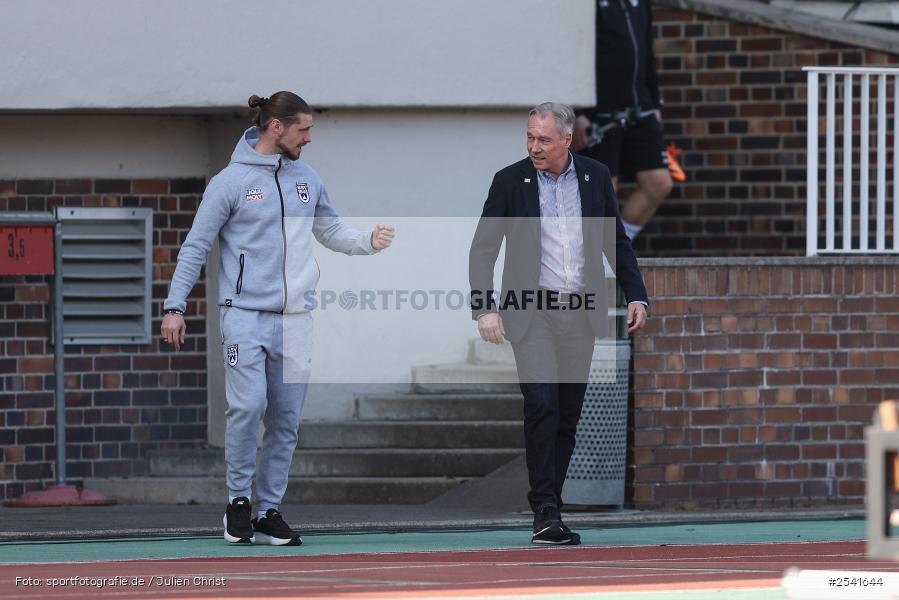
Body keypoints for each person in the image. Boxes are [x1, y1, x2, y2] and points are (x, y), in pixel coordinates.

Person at [161, 91, 395, 546]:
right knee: (248, 408)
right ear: (276, 127)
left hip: (295, 320)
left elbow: (331, 231)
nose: (308, 139)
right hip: (244, 317)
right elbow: (195, 246)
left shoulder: (306, 178)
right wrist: (175, 306)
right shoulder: (228, 183)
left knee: (286, 419)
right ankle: (238, 505)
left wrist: (368, 240)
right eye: (303, 130)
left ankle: (269, 510)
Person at [470, 102, 647, 545]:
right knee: (542, 404)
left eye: (544, 140)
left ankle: (553, 508)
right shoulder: (509, 181)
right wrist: (483, 308)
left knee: (567, 414)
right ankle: (544, 510)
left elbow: (615, 243)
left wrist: (637, 294)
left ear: (568, 139)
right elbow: (483, 248)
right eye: (529, 138)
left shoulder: (594, 177)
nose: (534, 147)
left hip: (580, 313)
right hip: (531, 313)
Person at [572, 0, 673, 240]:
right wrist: (577, 112)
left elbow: (646, 54)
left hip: (641, 110)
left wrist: (654, 104)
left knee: (659, 183)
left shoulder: (640, 4)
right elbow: (573, 52)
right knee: (605, 191)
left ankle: (619, 249)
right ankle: (598, 259)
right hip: (601, 112)